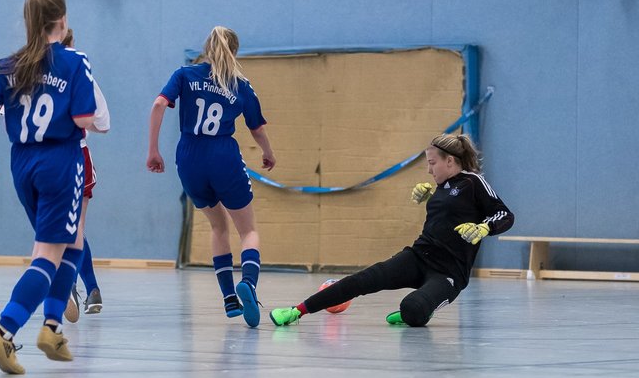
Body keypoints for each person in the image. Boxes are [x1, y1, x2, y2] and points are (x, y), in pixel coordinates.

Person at [0, 0, 101, 374]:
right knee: (47, 254)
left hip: (21, 162)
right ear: (62, 20)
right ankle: (5, 330)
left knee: (71, 241)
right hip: (60, 160)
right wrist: (93, 119)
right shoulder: (75, 61)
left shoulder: (8, 64)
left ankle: (52, 327)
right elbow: (82, 120)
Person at [269, 133, 513, 328]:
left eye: (432, 163)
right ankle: (295, 311)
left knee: (413, 309)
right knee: (363, 279)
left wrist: (485, 227)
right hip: (418, 257)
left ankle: (420, 309)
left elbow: (505, 215)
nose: (429, 170)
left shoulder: (473, 182)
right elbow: (450, 207)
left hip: (449, 273)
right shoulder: (441, 186)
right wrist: (434, 195)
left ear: (450, 161)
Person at [147, 26, 276, 327]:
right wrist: (268, 152)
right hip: (223, 155)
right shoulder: (240, 85)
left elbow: (158, 104)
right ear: (235, 52)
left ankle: (229, 299)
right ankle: (249, 284)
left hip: (188, 156)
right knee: (248, 231)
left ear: (206, 48)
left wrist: (153, 150)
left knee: (218, 227)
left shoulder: (184, 75)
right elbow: (256, 128)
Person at [58, 28, 108, 322]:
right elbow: (103, 121)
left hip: (40, 159)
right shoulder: (80, 70)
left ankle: (69, 287)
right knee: (75, 229)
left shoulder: (27, 70)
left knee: (54, 231)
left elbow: (2, 111)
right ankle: (90, 288)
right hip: (78, 153)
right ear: (72, 43)